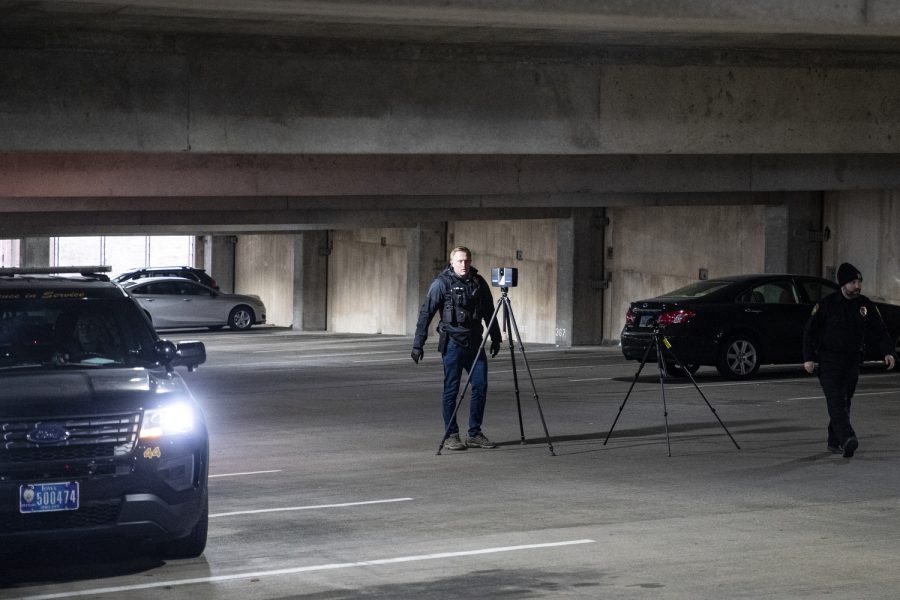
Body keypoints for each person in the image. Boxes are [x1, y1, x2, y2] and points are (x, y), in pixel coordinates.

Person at [411, 246, 503, 451]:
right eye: (460, 261)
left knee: (480, 387)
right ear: (452, 262)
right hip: (452, 344)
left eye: (467, 261)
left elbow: (489, 311)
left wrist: (496, 338)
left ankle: (475, 434)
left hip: (475, 344)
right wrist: (418, 343)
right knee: (451, 390)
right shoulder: (441, 284)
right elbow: (426, 314)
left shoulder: (479, 283)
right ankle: (451, 434)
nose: (464, 264)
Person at [803, 262, 896, 457]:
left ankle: (834, 440)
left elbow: (880, 331)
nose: (858, 286)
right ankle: (847, 438)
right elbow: (809, 332)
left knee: (845, 401)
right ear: (843, 283)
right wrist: (808, 358)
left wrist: (888, 352)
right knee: (836, 399)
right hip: (829, 360)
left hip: (852, 360)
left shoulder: (864, 305)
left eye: (859, 282)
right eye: (854, 282)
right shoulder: (827, 304)